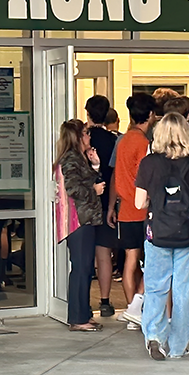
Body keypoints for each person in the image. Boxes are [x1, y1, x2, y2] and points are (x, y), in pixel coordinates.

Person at [134, 113, 189, 360]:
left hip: (157, 233)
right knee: (184, 290)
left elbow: (139, 203)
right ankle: (178, 346)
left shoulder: (149, 164)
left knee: (156, 287)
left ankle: (154, 337)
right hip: (187, 235)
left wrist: (156, 200)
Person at [109, 93, 155, 330]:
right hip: (143, 211)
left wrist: (111, 206)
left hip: (125, 209)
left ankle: (130, 309)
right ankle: (135, 309)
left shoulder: (123, 141)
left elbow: (116, 176)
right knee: (152, 263)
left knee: (130, 260)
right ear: (150, 115)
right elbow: (146, 178)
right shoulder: (144, 144)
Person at [54, 119, 106, 332]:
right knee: (81, 268)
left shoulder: (79, 158)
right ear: (77, 137)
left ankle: (83, 313)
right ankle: (77, 317)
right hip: (78, 221)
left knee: (85, 269)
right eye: (85, 133)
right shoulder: (71, 159)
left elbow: (86, 182)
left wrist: (95, 166)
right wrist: (94, 190)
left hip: (85, 219)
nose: (89, 136)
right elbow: (74, 188)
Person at [84, 96, 120, 317]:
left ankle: (83, 300)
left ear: (87, 113)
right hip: (108, 201)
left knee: (83, 255)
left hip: (86, 202)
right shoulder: (113, 140)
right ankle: (105, 301)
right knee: (104, 253)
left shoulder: (83, 140)